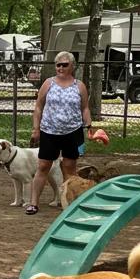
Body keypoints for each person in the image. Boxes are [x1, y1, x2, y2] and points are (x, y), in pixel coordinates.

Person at [28, 50, 91, 213]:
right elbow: (38, 107)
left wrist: (89, 126)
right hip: (50, 130)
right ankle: (33, 203)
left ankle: (70, 203)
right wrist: (36, 129)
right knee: (43, 166)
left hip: (73, 131)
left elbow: (84, 108)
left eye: (65, 65)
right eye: (58, 65)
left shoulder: (80, 86)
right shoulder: (48, 83)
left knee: (69, 167)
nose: (61, 68)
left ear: (72, 66)